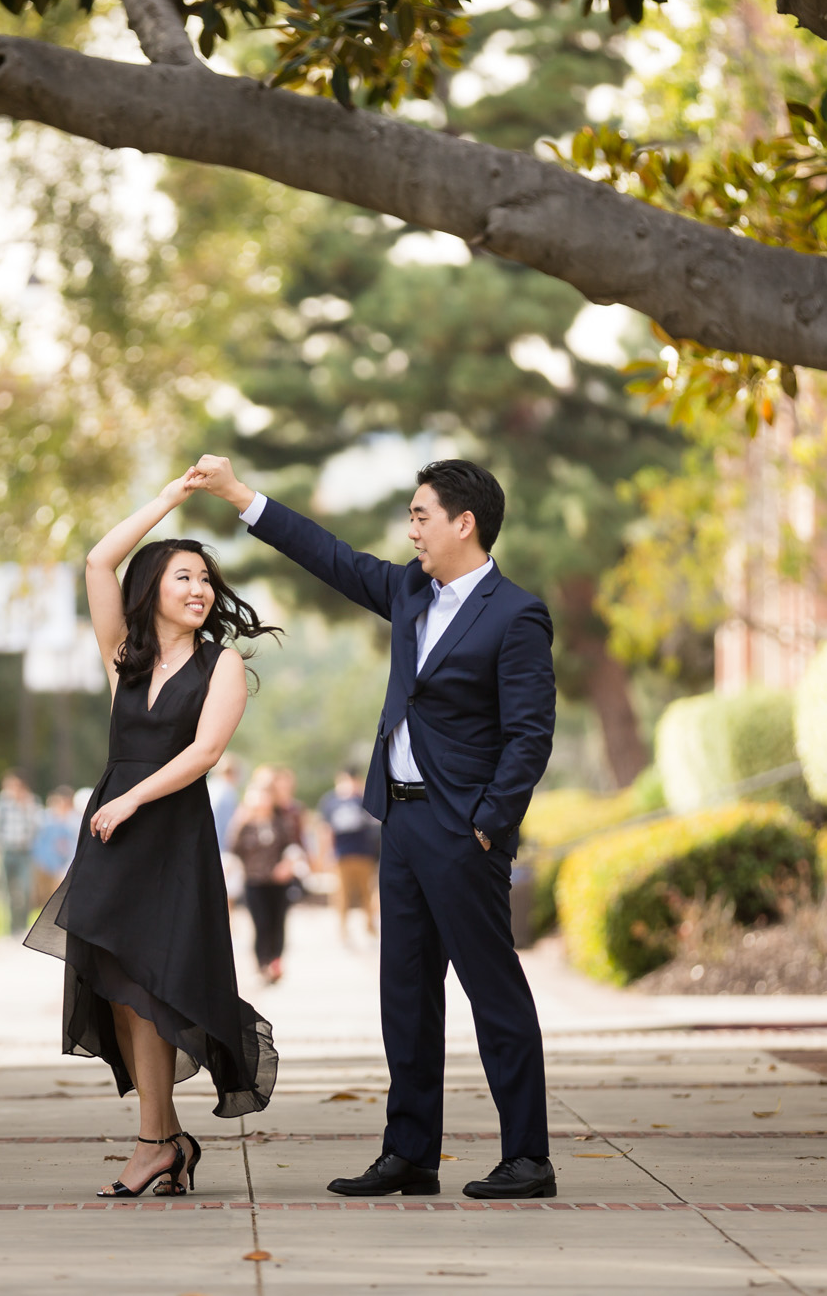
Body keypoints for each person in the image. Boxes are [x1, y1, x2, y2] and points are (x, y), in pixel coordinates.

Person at [194, 453, 558, 1201]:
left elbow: (530, 735)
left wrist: (489, 823)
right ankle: (409, 1153)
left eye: (422, 514)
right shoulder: (408, 591)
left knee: (494, 995)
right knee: (405, 993)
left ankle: (528, 1156)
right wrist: (240, 496)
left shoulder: (516, 614)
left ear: (466, 522)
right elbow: (326, 554)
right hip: (399, 821)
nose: (412, 528)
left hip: (464, 832)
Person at [25, 469, 280, 1200]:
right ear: (154, 588)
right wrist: (169, 501)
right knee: (119, 987)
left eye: (205, 577)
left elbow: (202, 756)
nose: (200, 589)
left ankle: (154, 1143)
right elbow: (98, 560)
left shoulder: (222, 663)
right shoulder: (125, 658)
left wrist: (132, 796)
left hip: (169, 833)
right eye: (182, 575)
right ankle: (163, 1140)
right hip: (115, 834)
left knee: (157, 989)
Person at [228, 766, 305, 984]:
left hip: (278, 882)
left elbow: (293, 846)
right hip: (254, 882)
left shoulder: (281, 822)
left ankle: (276, 962)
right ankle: (262, 964)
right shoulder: (244, 825)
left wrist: (287, 865)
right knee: (261, 923)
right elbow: (233, 851)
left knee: (278, 923)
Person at [0, 770, 41, 934]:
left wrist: (26, 806)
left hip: (25, 852)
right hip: (5, 850)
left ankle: (23, 924)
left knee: (25, 890)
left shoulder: (32, 803)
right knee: (6, 891)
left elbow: (39, 827)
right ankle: (11, 928)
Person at [319, 768, 380, 941]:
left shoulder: (363, 798)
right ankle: (342, 928)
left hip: (365, 853)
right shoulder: (331, 801)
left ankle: (370, 925)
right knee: (341, 893)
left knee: (366, 892)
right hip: (342, 853)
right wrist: (326, 853)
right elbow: (326, 829)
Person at [30, 787, 78, 908]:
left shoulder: (75, 820)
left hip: (65, 865)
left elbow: (73, 846)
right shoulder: (46, 818)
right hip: (45, 864)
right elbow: (39, 842)